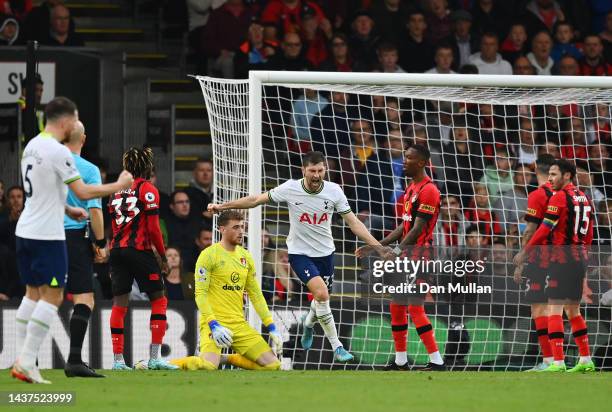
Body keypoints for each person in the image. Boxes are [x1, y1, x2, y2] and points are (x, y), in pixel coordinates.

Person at [208, 151, 386, 362]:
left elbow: (354, 222)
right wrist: (222, 206)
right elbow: (256, 199)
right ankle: (337, 347)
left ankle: (308, 324)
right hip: (300, 254)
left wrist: (378, 247)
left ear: (325, 170)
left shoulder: (334, 191)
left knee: (321, 299)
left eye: (320, 170)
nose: (317, 175)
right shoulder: (290, 188)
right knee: (322, 294)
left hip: (326, 253)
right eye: (312, 171)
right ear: (304, 170)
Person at [11, 96, 133, 384]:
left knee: (32, 293)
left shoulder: (31, 146)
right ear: (65, 122)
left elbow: (41, 191)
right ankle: (27, 361)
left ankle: (22, 358)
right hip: (48, 235)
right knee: (53, 297)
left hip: (25, 230)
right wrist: (120, 185)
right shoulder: (58, 153)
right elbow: (86, 191)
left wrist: (67, 208)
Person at [169, 210, 283, 371]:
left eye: (242, 227)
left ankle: (227, 358)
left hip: (238, 324)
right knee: (208, 366)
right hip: (214, 323)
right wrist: (213, 324)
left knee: (274, 365)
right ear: (222, 229)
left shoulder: (246, 257)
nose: (241, 231)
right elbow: (200, 294)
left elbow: (256, 295)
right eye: (236, 227)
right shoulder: (208, 255)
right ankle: (165, 364)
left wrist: (271, 326)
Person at [366, 144, 445, 371]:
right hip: (406, 257)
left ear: (421, 162)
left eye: (408, 158)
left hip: (420, 257)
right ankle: (401, 360)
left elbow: (418, 228)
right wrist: (377, 245)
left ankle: (437, 360)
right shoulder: (411, 188)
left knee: (415, 307)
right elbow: (405, 225)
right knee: (397, 307)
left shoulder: (429, 190)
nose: (404, 162)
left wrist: (396, 251)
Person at [515, 159, 595, 373]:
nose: (550, 179)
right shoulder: (584, 197)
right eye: (549, 175)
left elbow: (544, 228)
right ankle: (585, 359)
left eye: (554, 175)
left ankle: (556, 361)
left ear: (567, 175)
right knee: (574, 311)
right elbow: (589, 231)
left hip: (561, 259)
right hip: (579, 258)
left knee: (554, 309)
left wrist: (526, 251)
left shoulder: (559, 197)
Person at [107, 147, 178, 371]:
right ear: (147, 166)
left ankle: (118, 361)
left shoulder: (115, 191)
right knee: (159, 299)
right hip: (138, 250)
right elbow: (154, 228)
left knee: (119, 304)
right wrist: (162, 255)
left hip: (116, 251)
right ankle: (155, 358)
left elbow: (114, 224)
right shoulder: (148, 189)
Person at [62, 120, 106, 378]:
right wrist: (100, 243)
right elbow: (95, 211)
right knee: (84, 298)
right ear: (84, 139)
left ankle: (25, 359)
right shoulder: (88, 169)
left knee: (40, 295)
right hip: (75, 236)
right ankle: (74, 360)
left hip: (43, 234)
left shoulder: (49, 166)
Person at [511, 155, 556, 374]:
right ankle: (560, 359)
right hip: (564, 258)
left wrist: (521, 259)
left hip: (540, 258)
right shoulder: (565, 193)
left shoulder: (538, 195)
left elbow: (530, 230)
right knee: (559, 309)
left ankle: (549, 360)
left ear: (535, 168)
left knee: (539, 309)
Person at [183, 158, 213, 222]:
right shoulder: (186, 194)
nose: (205, 174)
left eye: (209, 170)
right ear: (194, 173)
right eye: (201, 170)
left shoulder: (221, 193)